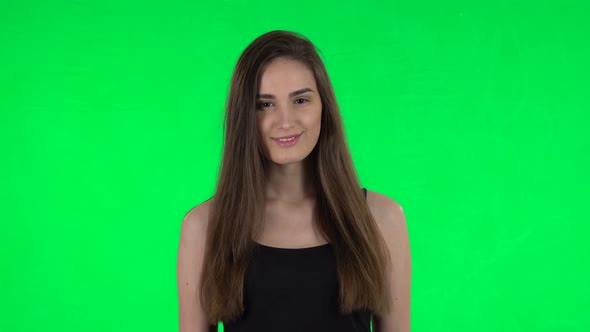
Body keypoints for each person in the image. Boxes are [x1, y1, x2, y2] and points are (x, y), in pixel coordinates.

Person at [177, 30, 411, 332]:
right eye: (265, 104)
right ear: (243, 116)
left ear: (324, 108)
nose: (285, 121)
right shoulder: (204, 227)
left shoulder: (382, 219)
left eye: (300, 100)